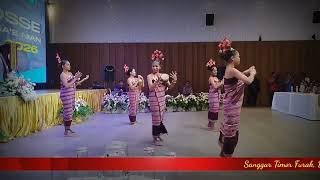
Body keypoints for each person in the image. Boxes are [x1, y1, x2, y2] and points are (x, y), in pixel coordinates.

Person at [217, 38, 256, 157]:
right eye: (238, 56)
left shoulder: (231, 70)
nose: (240, 58)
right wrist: (253, 73)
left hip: (231, 105)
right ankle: (226, 154)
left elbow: (240, 76)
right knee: (231, 131)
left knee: (230, 128)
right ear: (232, 58)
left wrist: (248, 70)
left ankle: (223, 152)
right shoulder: (232, 70)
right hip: (232, 106)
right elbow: (248, 81)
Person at [147, 50, 177, 146]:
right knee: (156, 118)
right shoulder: (149, 76)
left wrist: (174, 81)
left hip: (161, 99)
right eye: (153, 66)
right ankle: (154, 138)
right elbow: (150, 88)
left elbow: (170, 87)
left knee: (161, 118)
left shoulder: (164, 76)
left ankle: (158, 134)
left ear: (160, 67)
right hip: (154, 99)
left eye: (156, 66)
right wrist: (157, 81)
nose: (155, 67)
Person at [58, 54, 89, 136]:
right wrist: (75, 78)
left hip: (71, 94)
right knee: (67, 112)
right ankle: (66, 130)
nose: (69, 66)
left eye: (69, 64)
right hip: (66, 95)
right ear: (63, 66)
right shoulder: (62, 75)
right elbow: (67, 85)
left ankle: (68, 128)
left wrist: (83, 79)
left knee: (71, 111)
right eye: (67, 64)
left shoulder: (70, 73)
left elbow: (75, 83)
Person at [206, 58, 223, 131]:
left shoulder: (216, 77)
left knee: (214, 109)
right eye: (214, 70)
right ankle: (212, 126)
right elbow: (215, 86)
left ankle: (210, 124)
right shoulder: (211, 78)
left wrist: (221, 93)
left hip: (217, 95)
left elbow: (219, 87)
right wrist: (222, 82)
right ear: (211, 71)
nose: (216, 71)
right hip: (213, 96)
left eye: (216, 70)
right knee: (214, 110)